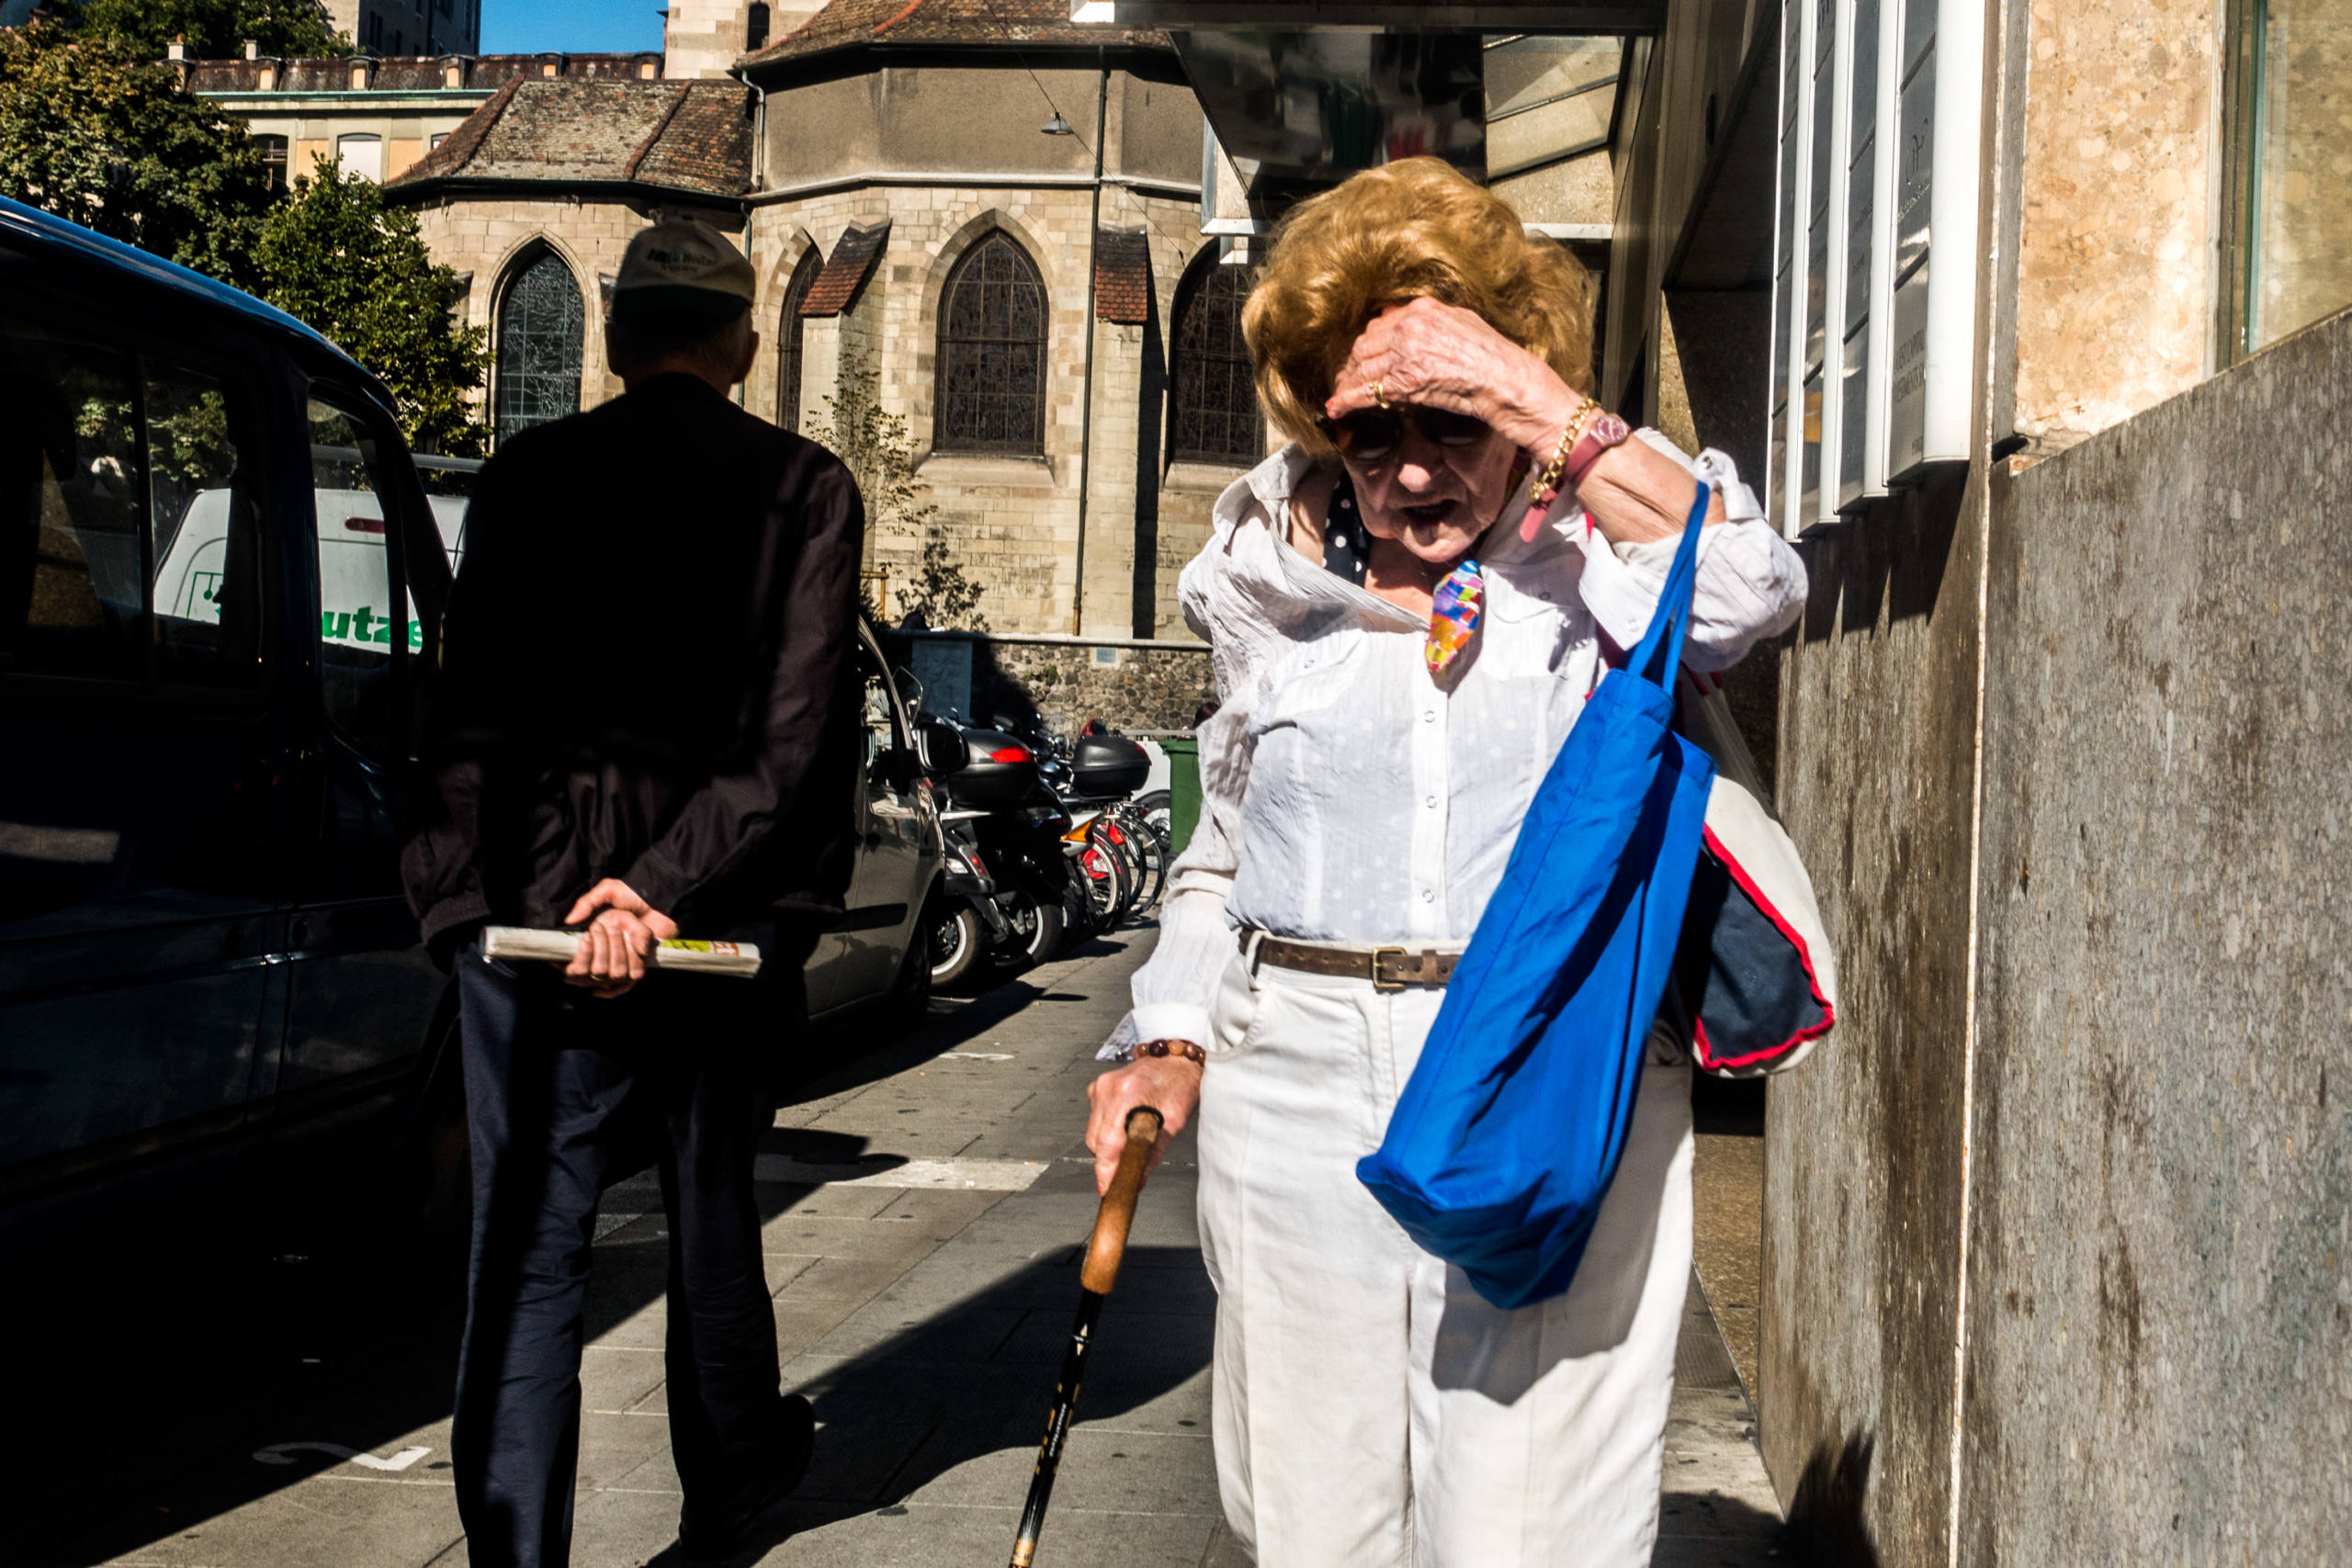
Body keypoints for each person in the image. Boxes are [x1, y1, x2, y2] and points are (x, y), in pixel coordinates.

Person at [1083, 158, 1807, 1565]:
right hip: (1292, 1070)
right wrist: (1166, 1036)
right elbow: (1223, 847)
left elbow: (1750, 591)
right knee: (1310, 1514)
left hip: (1545, 1057)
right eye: (1370, 431)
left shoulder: (1599, 541)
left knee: (1533, 1517)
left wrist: (1534, 402)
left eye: (1450, 420)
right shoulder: (1264, 579)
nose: (1412, 468)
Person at [402, 219, 865, 1566]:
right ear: (743, 343)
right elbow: (788, 742)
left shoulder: (529, 476)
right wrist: (655, 896)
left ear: (611, 334)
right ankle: (729, 1482)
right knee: (711, 1203)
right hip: (715, 926)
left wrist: (495, 910)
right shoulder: (803, 486)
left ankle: (517, 1554)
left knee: (529, 1256)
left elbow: (469, 709)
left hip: (530, 921)